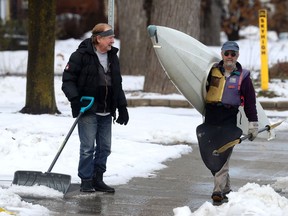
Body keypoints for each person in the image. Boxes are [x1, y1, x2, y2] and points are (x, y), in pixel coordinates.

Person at [62, 23, 129, 193]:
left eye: (113, 37)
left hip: (107, 109)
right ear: (98, 38)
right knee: (87, 148)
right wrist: (75, 100)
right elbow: (67, 80)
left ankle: (97, 179)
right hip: (88, 108)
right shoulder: (80, 55)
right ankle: (86, 180)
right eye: (110, 37)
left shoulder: (113, 56)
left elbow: (117, 83)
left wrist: (122, 107)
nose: (113, 41)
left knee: (105, 147)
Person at [203, 41, 258, 203]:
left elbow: (250, 102)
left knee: (223, 153)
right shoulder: (211, 71)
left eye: (233, 54)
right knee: (210, 153)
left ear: (237, 56)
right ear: (222, 54)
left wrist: (253, 123)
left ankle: (218, 190)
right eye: (227, 53)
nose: (229, 57)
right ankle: (225, 187)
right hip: (211, 117)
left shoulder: (244, 77)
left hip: (229, 118)